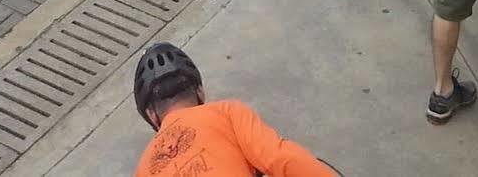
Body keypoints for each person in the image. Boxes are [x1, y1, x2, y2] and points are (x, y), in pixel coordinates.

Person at [131, 42, 339, 177]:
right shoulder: (225, 112)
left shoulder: (143, 168)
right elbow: (283, 158)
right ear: (200, 92)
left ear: (152, 115)